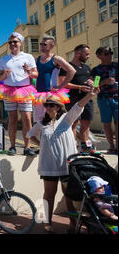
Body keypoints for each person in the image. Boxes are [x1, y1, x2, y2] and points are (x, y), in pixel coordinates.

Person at [27, 87, 100, 233]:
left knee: (69, 194)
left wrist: (90, 95)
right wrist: (40, 144)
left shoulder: (66, 119)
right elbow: (30, 134)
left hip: (67, 165)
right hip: (48, 165)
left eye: (51, 105)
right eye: (46, 105)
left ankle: (73, 222)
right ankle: (47, 221)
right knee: (49, 193)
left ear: (59, 107)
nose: (48, 107)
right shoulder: (42, 123)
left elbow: (78, 106)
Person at [0, 32, 38, 156]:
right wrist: (5, 75)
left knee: (26, 118)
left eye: (15, 41)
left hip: (24, 90)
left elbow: (36, 74)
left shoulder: (28, 57)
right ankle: (12, 147)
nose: (13, 44)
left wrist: (29, 71)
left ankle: (27, 147)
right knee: (12, 119)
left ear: (20, 43)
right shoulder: (4, 59)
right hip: (9, 91)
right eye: (10, 42)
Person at [59, 44, 95, 153]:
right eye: (87, 54)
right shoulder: (67, 67)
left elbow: (95, 81)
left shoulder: (87, 67)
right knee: (73, 122)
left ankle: (85, 145)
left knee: (87, 121)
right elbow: (62, 83)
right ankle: (73, 146)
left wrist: (93, 83)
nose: (88, 56)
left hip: (87, 98)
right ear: (78, 53)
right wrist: (79, 87)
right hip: (73, 98)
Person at [33, 35, 76, 123]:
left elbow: (72, 71)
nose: (41, 46)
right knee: (39, 122)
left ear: (51, 46)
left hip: (51, 94)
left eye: (44, 44)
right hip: (38, 95)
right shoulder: (36, 60)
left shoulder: (56, 59)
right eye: (41, 44)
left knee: (52, 120)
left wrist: (60, 86)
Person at [91, 46, 118, 154]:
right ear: (99, 56)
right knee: (107, 123)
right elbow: (95, 85)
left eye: (111, 53)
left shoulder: (116, 66)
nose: (110, 55)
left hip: (117, 98)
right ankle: (111, 145)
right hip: (104, 99)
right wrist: (105, 81)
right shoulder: (96, 70)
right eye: (106, 53)